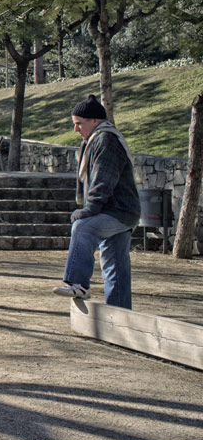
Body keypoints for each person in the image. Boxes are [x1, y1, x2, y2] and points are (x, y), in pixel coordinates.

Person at [53, 95, 141, 307]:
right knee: (115, 266)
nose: (76, 130)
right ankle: (120, 315)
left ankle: (78, 283)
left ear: (95, 121)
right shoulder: (97, 139)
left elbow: (103, 179)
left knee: (82, 228)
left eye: (79, 124)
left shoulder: (105, 140)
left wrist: (89, 210)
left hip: (117, 211)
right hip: (121, 211)